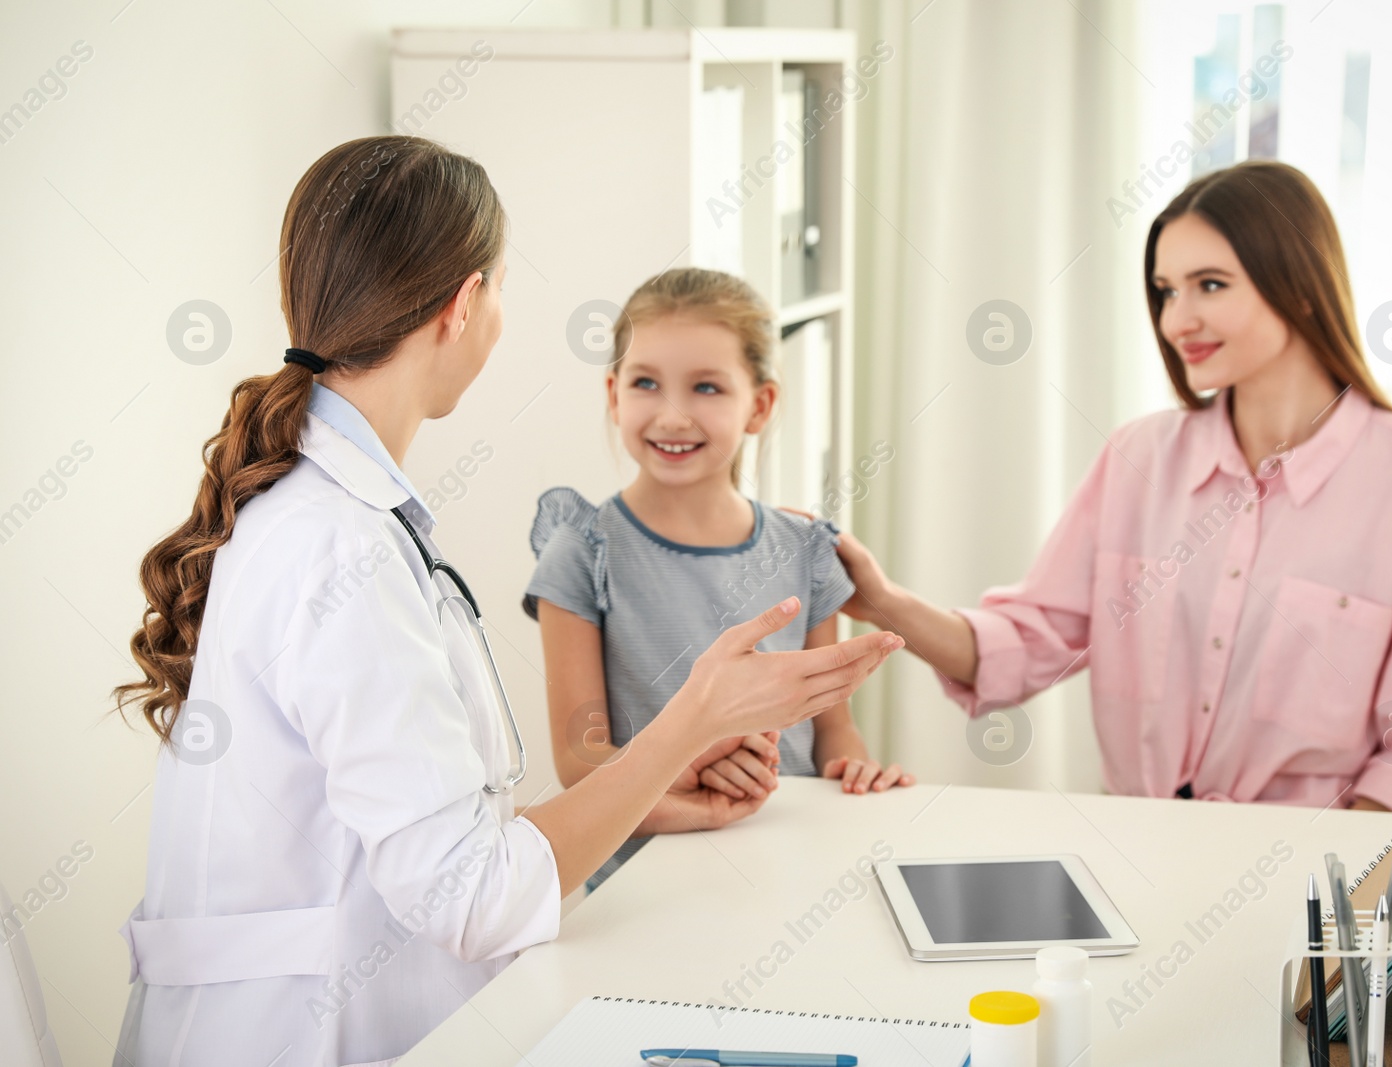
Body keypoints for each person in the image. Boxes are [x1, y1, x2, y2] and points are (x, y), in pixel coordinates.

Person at [108, 136, 901, 1066]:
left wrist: (657, 767)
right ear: (466, 303)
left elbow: (448, 832)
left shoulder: (339, 511)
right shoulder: (339, 544)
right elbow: (469, 895)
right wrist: (695, 717)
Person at [831, 160, 1392, 813]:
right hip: (1144, 856)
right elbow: (1027, 644)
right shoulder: (1137, 458)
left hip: (1317, 882)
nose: (1177, 320)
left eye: (1210, 285)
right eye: (1166, 290)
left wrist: (1327, 904)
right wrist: (886, 603)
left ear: (1299, 285)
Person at [525, 268, 914, 889]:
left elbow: (833, 732)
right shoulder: (580, 551)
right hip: (645, 878)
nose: (673, 415)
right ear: (614, 394)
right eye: (646, 383)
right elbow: (579, 758)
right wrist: (693, 756)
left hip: (791, 865)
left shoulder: (807, 551)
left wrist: (856, 772)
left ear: (759, 405)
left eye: (706, 387)